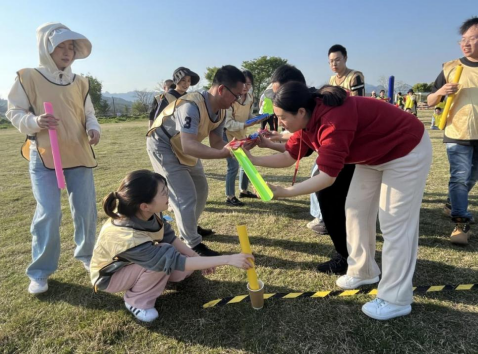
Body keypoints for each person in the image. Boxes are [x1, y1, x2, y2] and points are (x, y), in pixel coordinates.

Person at [244, 82, 432, 320]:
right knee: (355, 210)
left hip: (406, 148)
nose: (280, 124)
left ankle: (396, 299)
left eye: (282, 118)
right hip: (373, 155)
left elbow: (327, 177)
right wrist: (252, 159)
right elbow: (289, 156)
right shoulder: (307, 121)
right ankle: (363, 271)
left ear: (301, 111)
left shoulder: (333, 122)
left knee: (394, 223)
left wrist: (284, 191)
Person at [6, 23, 100, 294]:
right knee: (48, 212)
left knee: (85, 210)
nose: (67, 51)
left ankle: (87, 255)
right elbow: (14, 112)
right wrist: (35, 121)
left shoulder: (80, 82)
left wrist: (94, 128)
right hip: (45, 156)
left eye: (71, 46)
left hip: (79, 153)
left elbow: (89, 113)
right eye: (60, 45)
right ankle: (40, 271)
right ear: (46, 48)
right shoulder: (28, 76)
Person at [90, 170, 253, 322]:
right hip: (110, 277)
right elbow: (172, 258)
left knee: (183, 262)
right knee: (164, 257)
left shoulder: (148, 211)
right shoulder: (127, 236)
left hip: (135, 263)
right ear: (145, 205)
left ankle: (155, 281)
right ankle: (136, 301)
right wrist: (228, 259)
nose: (168, 194)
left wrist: (196, 257)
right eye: (163, 193)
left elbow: (169, 237)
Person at [146, 65, 246, 256]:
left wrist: (234, 147)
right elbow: (189, 146)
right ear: (222, 89)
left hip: (184, 145)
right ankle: (191, 244)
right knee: (185, 196)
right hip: (164, 145)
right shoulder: (191, 105)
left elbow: (217, 142)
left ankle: (190, 227)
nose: (238, 101)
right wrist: (223, 153)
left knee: (201, 189)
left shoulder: (222, 110)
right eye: (236, 95)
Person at [427, 16, 478, 245]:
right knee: (459, 177)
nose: (466, 43)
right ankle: (461, 222)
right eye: (463, 39)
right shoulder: (450, 68)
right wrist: (441, 92)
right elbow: (429, 101)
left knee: (471, 177)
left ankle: (451, 204)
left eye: (473, 38)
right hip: (457, 132)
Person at [223, 70, 261, 206]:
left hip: (240, 132)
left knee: (246, 162)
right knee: (233, 165)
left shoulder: (250, 97)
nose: (245, 87)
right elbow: (227, 123)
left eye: (249, 84)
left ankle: (243, 190)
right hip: (228, 134)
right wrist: (246, 123)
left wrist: (256, 119)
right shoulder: (231, 98)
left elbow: (248, 115)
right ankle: (230, 196)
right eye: (243, 84)